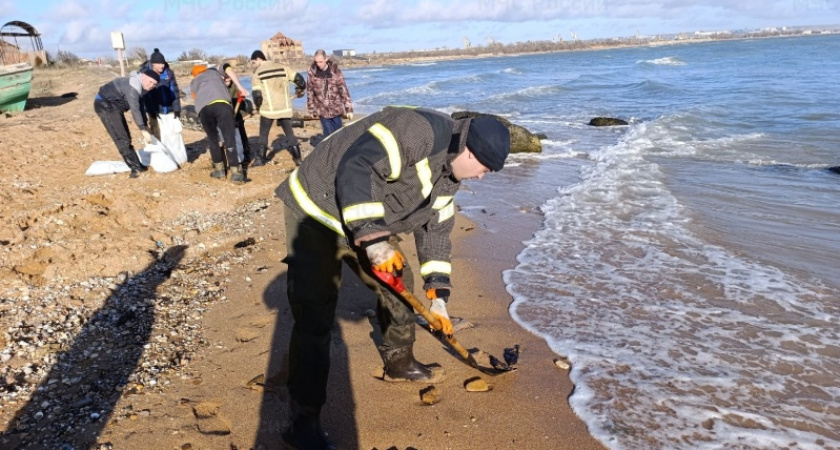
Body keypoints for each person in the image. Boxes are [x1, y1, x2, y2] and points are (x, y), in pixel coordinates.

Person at [275, 106, 511, 449]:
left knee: (403, 291)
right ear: (469, 151)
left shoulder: (451, 175)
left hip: (368, 222)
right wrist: (373, 239)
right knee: (315, 316)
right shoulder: (417, 131)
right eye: (483, 169)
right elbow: (357, 166)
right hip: (316, 207)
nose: (481, 177)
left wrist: (439, 298)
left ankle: (399, 361)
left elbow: (436, 234)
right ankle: (303, 421)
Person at [93, 69, 159, 178]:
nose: (151, 85)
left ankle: (138, 165)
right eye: (150, 81)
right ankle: (135, 168)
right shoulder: (134, 87)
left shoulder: (143, 87)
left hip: (115, 105)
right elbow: (135, 109)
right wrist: (142, 129)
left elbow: (141, 107)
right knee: (121, 137)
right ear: (143, 77)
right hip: (104, 104)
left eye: (154, 84)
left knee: (126, 137)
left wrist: (145, 125)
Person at [190, 63, 249, 183]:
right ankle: (236, 173)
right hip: (221, 105)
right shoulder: (214, 71)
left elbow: (195, 98)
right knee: (229, 139)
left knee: (213, 141)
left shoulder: (194, 82)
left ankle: (219, 171)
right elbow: (227, 66)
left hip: (203, 109)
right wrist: (240, 87)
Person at [249, 50, 306, 167]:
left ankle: (260, 160)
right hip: (284, 107)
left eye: (253, 62)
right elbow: (300, 81)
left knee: (263, 134)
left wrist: (258, 107)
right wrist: (299, 90)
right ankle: (298, 159)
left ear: (258, 59)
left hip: (268, 110)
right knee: (289, 134)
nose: (254, 65)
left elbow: (257, 95)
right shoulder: (283, 67)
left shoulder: (257, 73)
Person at [306, 49, 352, 137]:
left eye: (320, 62)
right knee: (328, 136)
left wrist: (349, 109)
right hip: (322, 110)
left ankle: (339, 150)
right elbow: (310, 91)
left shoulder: (335, 70)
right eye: (316, 62)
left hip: (336, 110)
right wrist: (311, 109)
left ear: (326, 59)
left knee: (338, 135)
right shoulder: (312, 71)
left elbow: (343, 89)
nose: (318, 64)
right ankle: (329, 150)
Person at [140, 48, 181, 139]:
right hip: (154, 111)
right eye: (159, 63)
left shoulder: (169, 73)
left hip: (169, 109)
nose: (161, 66)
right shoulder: (145, 73)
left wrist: (176, 108)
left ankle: (175, 152)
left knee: (173, 134)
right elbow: (145, 95)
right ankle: (160, 151)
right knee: (157, 133)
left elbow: (175, 91)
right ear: (153, 63)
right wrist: (151, 110)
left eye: (163, 63)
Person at [223, 72, 251, 165]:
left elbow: (241, 96)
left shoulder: (235, 85)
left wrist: (242, 98)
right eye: (225, 78)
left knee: (242, 133)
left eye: (229, 78)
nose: (227, 80)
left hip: (237, 113)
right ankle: (227, 156)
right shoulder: (219, 86)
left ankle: (246, 154)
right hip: (225, 114)